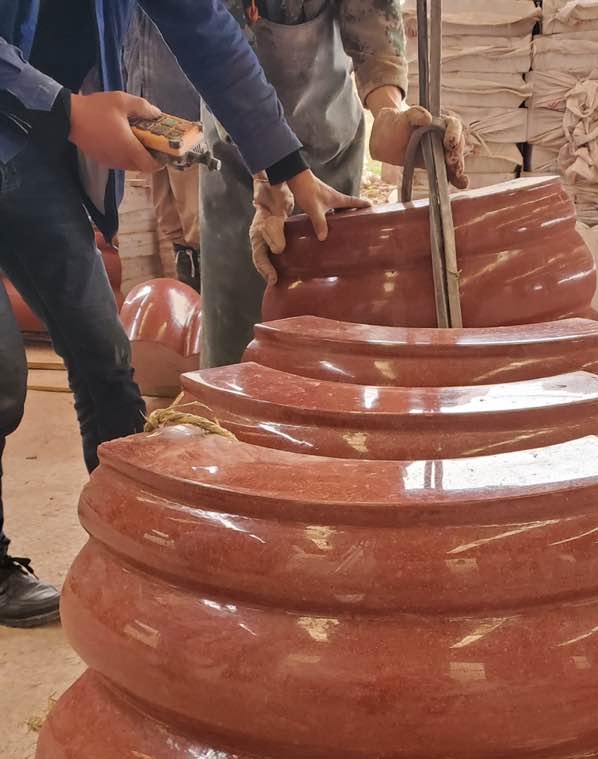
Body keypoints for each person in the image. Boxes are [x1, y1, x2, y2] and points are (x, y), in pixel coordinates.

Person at [0, 0, 367, 629]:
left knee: (103, 355)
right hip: (39, 116)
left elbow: (204, 30)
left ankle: (137, 545)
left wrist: (285, 165)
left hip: (30, 151)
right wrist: (70, 112)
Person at [201, 0, 468, 368]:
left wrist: (389, 110)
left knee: (329, 327)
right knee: (243, 339)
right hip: (239, 158)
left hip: (328, 139)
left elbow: (370, 10)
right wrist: (267, 173)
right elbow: (213, 45)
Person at [123, 9, 202, 291]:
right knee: (171, 224)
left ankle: (214, 307)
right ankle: (192, 300)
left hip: (190, 120)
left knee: (199, 225)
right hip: (147, 119)